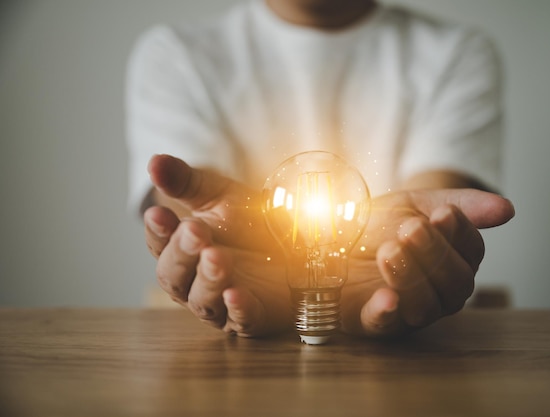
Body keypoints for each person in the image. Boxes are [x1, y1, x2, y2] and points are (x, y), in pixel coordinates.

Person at [126, 0, 515, 338]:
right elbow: (195, 220)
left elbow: (425, 226)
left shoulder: (456, 52)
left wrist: (400, 260)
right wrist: (222, 253)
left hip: (409, 336)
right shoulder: (176, 53)